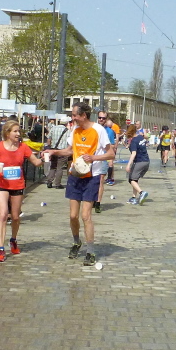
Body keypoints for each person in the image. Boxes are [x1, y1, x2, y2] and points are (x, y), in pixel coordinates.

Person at [44, 101, 114, 266]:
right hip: (75, 175)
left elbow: (111, 153)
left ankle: (90, 251)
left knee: (85, 215)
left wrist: (94, 157)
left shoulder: (98, 130)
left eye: (75, 115)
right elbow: (69, 150)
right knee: (73, 216)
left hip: (92, 177)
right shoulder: (75, 130)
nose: (73, 118)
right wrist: (53, 152)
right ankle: (76, 242)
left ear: (83, 115)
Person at [0, 120, 42, 262]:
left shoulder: (23, 147)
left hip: (17, 185)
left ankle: (13, 239)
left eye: (19, 131)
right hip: (2, 183)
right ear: (7, 133)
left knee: (15, 217)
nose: (18, 134)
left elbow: (36, 162)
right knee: (3, 214)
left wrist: (45, 158)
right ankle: (1, 249)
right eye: (15, 131)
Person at [125, 123, 150, 205]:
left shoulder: (134, 141)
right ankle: (133, 198)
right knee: (135, 180)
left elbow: (134, 153)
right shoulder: (140, 137)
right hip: (146, 161)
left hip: (139, 162)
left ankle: (142, 192)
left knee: (131, 179)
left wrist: (128, 165)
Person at [46, 118, 70, 189]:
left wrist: (49, 147)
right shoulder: (68, 131)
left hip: (53, 150)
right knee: (60, 167)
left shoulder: (53, 128)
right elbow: (69, 143)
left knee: (53, 166)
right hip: (62, 151)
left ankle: (49, 181)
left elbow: (49, 139)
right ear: (66, 123)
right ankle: (57, 184)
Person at [105, 117, 120, 184]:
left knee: (110, 163)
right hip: (107, 147)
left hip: (110, 147)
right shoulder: (102, 129)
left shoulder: (113, 128)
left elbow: (117, 138)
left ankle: (110, 178)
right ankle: (109, 177)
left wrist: (115, 147)